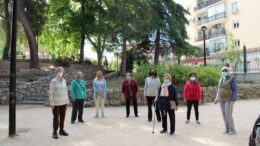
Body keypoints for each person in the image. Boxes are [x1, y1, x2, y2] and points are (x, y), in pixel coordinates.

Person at [214, 66, 237, 135]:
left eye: (225, 70)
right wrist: (216, 99)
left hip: (229, 100)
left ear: (228, 71)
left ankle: (232, 130)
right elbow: (219, 90)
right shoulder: (221, 79)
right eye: (223, 71)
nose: (224, 72)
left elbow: (235, 90)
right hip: (221, 99)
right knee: (224, 114)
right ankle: (227, 129)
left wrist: (233, 99)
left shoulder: (232, 79)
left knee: (228, 114)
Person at [49, 66, 70, 139]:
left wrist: (67, 101)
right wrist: (51, 103)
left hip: (64, 102)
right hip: (56, 103)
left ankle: (61, 130)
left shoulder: (64, 81)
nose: (60, 73)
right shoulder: (53, 81)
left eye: (61, 72)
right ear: (56, 73)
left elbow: (66, 91)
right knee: (56, 118)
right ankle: (54, 132)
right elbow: (51, 93)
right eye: (59, 71)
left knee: (63, 117)